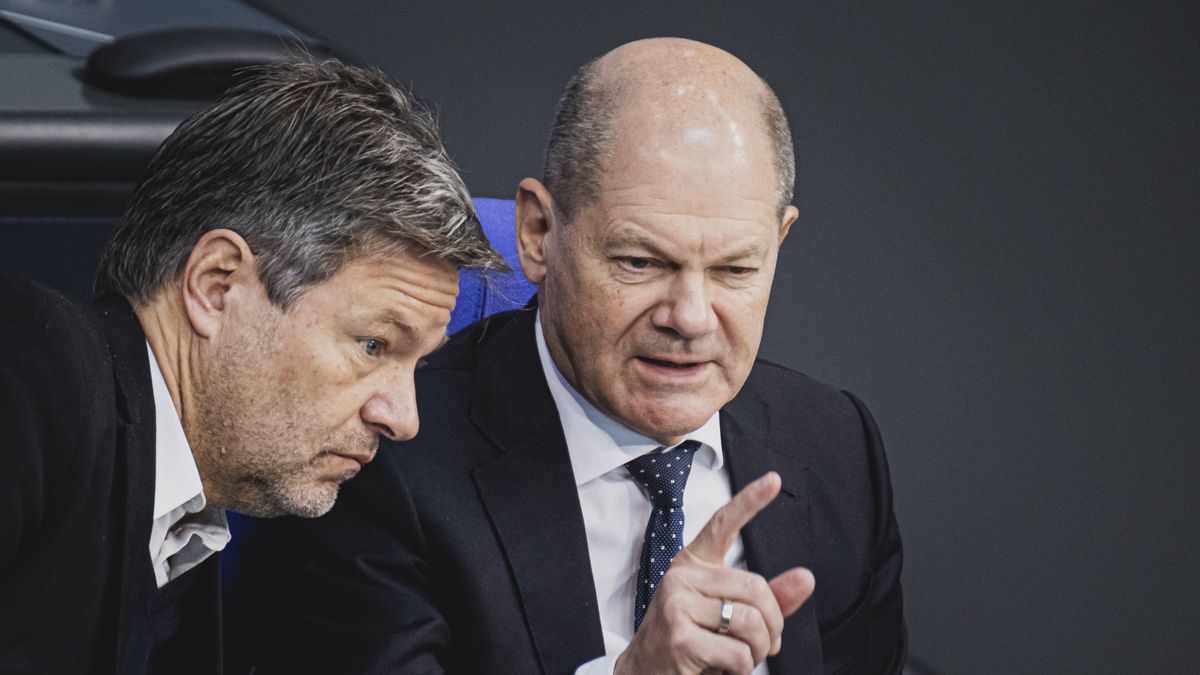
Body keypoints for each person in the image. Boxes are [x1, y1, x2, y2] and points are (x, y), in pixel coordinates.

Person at [239, 38, 906, 674]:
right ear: (539, 232)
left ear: (779, 242)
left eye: (736, 269)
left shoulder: (836, 448)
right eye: (641, 261)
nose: (690, 318)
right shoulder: (382, 457)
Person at [0, 58, 504, 675]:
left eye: (418, 365)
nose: (403, 419)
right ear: (217, 286)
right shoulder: (23, 369)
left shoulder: (187, 521)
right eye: (373, 345)